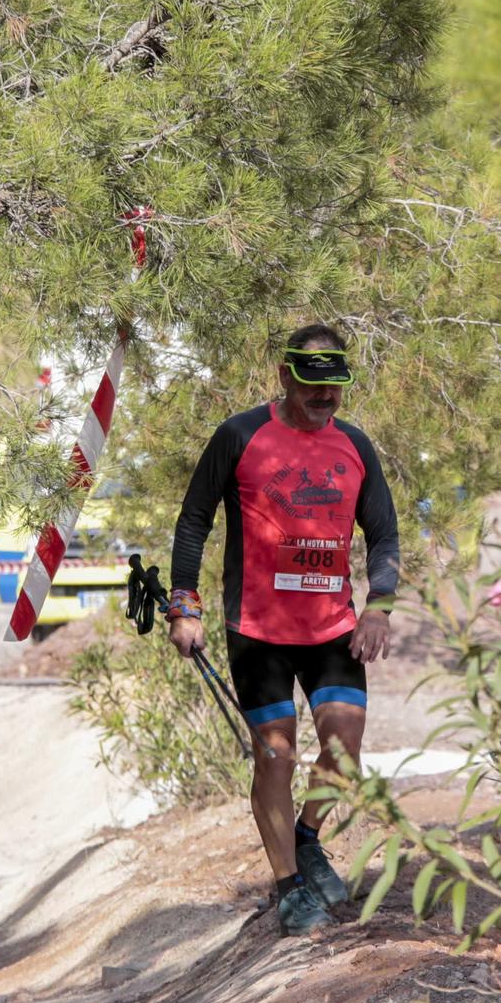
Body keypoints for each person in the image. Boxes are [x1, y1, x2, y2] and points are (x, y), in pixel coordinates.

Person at [167, 324, 401, 936]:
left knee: (343, 750)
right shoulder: (240, 435)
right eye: (312, 384)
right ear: (285, 375)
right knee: (276, 756)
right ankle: (289, 886)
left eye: (334, 387)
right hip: (258, 630)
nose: (324, 397)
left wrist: (380, 606)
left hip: (332, 629)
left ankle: (307, 838)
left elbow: (384, 534)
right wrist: (183, 606)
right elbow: (193, 521)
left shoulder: (355, 447)